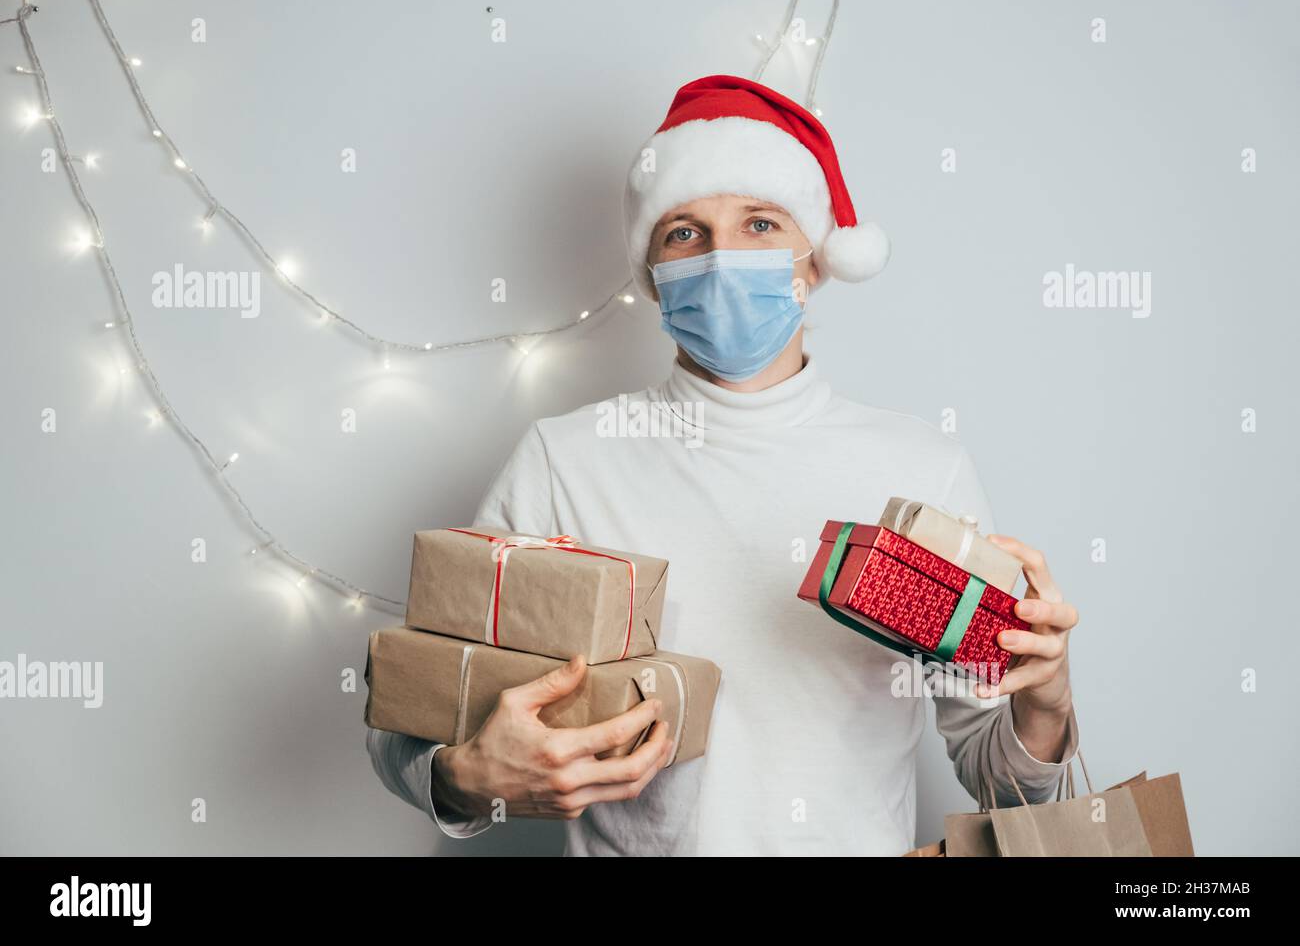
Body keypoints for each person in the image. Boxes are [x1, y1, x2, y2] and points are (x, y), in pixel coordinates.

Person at [367, 74, 1080, 856]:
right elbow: (404, 722)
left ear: (813, 265)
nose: (720, 258)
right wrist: (469, 776)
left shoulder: (921, 470)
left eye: (761, 223)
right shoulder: (565, 462)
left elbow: (998, 778)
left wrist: (1043, 697)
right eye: (684, 233)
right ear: (653, 278)